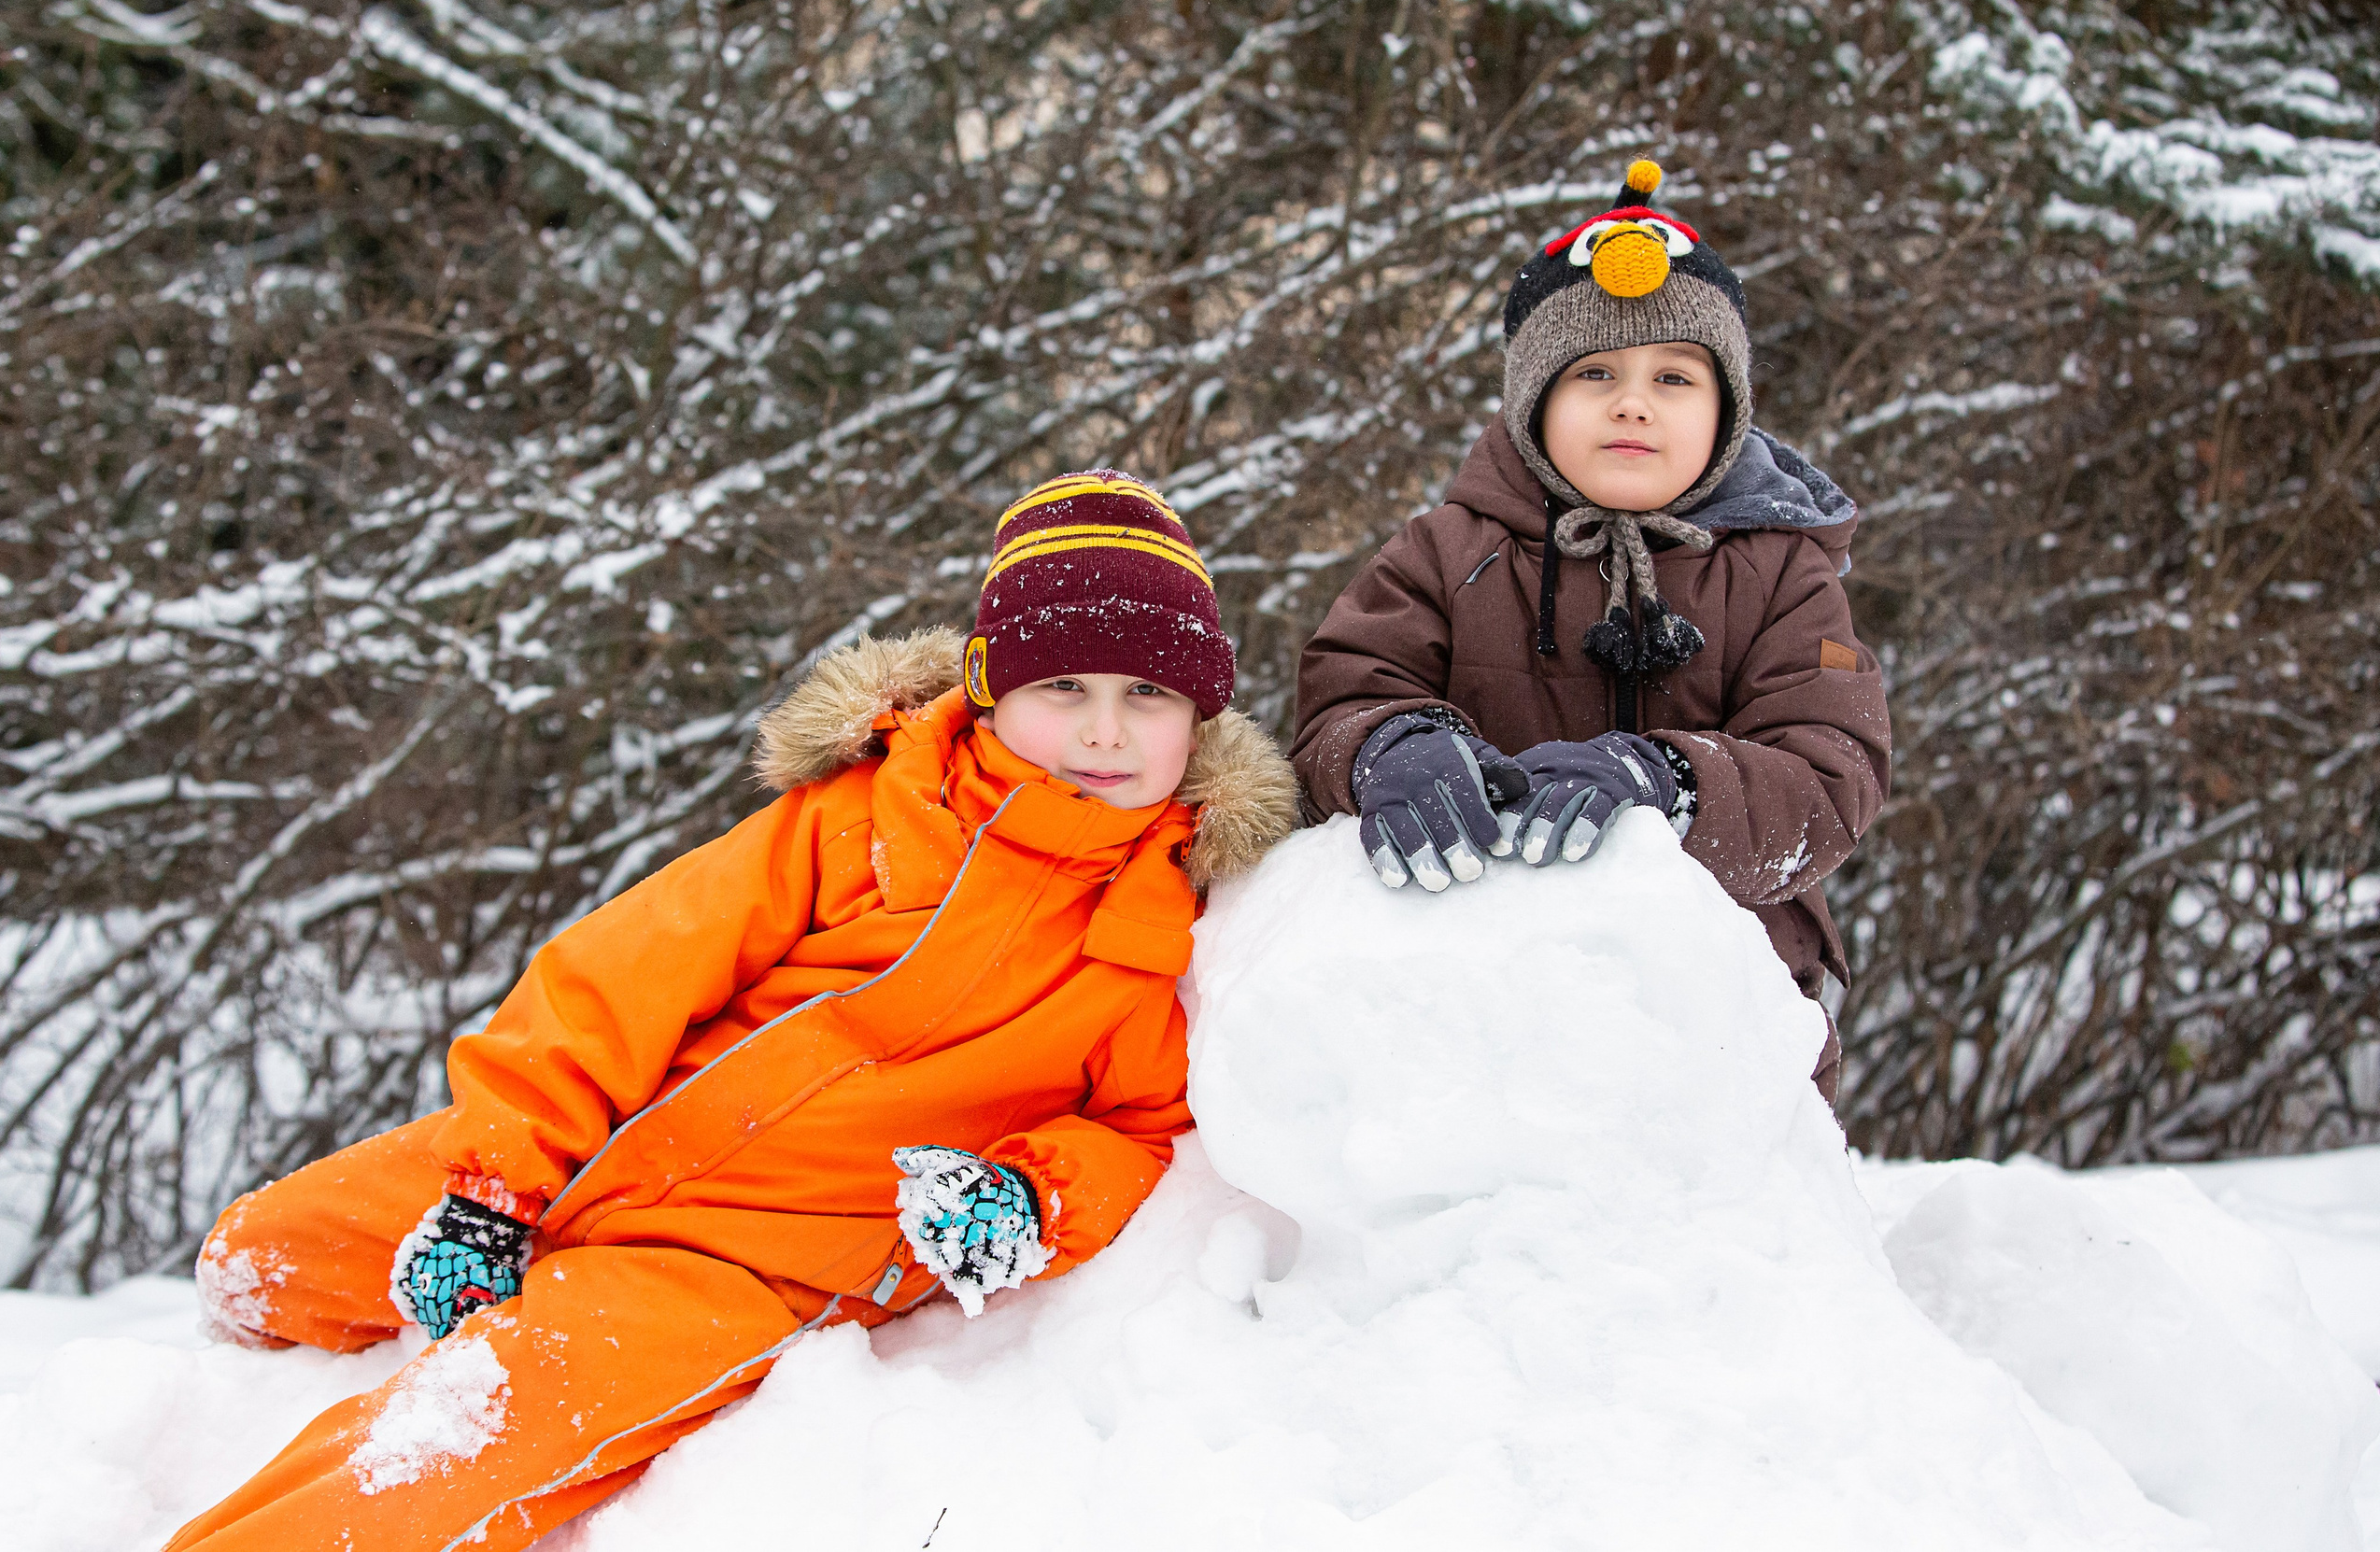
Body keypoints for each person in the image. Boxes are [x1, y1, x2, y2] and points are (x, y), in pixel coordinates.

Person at [173, 471, 1296, 1552]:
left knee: (475, 1428)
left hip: (741, 1271)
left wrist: (1030, 1195)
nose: (1104, 733)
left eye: (1145, 695)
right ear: (994, 688)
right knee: (254, 1258)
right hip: (588, 1152)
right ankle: (403, 1257)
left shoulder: (1148, 935)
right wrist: (489, 1191)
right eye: (1065, 689)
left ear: (1194, 721)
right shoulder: (857, 817)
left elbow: (1142, 1134)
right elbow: (617, 977)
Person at [1292, 160, 1891, 1101]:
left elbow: (1829, 779)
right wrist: (1389, 746)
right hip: (1476, 1012)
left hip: (1718, 1025)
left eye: (1674, 377)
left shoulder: (1785, 574)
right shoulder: (1448, 551)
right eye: (1595, 373)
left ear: (1726, 408)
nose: (1633, 402)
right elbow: (1345, 691)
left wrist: (1672, 783)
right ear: (1534, 402)